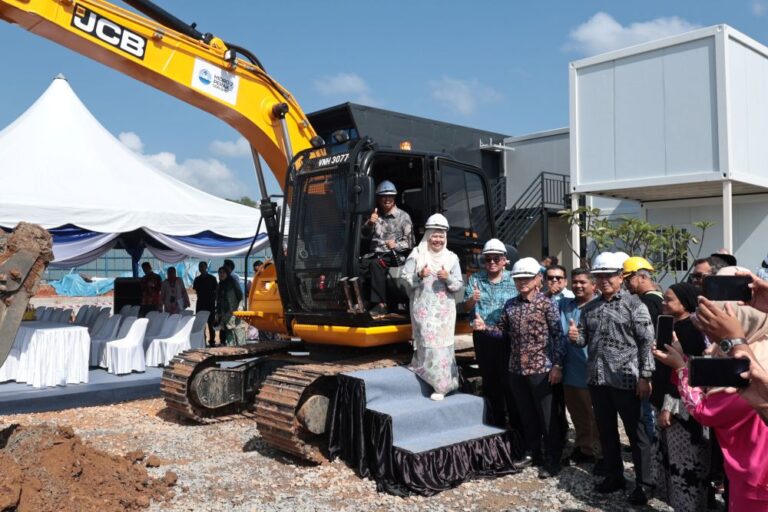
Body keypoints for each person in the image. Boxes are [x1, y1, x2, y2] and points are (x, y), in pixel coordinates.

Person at [655, 296, 768, 511]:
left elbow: (706, 412)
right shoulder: (760, 351)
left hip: (757, 479)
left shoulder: (747, 372)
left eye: (716, 330)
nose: (709, 339)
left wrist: (681, 369)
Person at [572, 252, 655, 505]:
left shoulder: (635, 305)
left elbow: (646, 342)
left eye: (609, 275)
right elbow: (584, 339)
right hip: (598, 380)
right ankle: (614, 475)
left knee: (636, 434)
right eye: (600, 276)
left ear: (620, 276)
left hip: (627, 379)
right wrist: (575, 337)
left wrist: (646, 376)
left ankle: (645, 484)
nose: (604, 280)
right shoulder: (590, 308)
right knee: (607, 431)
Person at [476, 256, 565, 479]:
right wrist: (484, 327)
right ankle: (533, 453)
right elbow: (501, 332)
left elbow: (558, 336)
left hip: (541, 369)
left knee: (547, 417)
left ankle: (553, 459)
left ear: (537, 279)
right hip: (516, 370)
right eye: (518, 279)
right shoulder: (510, 305)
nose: (522, 282)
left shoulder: (547, 304)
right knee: (526, 414)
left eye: (526, 278)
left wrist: (557, 365)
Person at [652, 283, 709, 512]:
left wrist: (669, 406)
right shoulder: (671, 325)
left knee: (685, 461)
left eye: (669, 299)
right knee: (670, 459)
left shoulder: (692, 330)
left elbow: (684, 372)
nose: (663, 303)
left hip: (683, 406)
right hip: (668, 400)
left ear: (685, 303)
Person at [402, 213, 462, 401]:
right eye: (434, 236)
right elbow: (404, 278)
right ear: (428, 236)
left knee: (443, 346)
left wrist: (448, 278)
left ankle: (444, 385)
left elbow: (458, 284)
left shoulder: (452, 258)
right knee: (428, 344)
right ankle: (429, 378)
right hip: (424, 309)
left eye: (441, 236)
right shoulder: (417, 254)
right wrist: (419, 275)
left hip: (445, 312)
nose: (438, 240)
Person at [464, 238, 520, 430]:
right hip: (483, 337)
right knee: (490, 380)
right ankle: (496, 426)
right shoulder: (475, 279)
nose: (492, 262)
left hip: (508, 337)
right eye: (488, 259)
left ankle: (516, 427)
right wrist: (473, 299)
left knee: (510, 381)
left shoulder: (514, 279)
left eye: (496, 258)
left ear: (504, 260)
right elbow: (466, 307)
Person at [561, 268, 601, 466]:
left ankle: (601, 452)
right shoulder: (565, 305)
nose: (577, 285)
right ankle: (584, 448)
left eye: (582, 282)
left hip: (594, 370)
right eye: (574, 281)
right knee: (578, 413)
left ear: (594, 285)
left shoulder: (600, 306)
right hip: (570, 369)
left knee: (597, 415)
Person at [623, 256, 663, 441]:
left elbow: (645, 339)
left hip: (648, 367)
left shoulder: (646, 303)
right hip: (657, 364)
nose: (626, 284)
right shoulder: (660, 298)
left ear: (642, 277)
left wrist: (645, 375)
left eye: (628, 279)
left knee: (647, 414)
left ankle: (650, 449)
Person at [360, 180, 414, 316]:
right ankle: (362, 301)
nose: (387, 199)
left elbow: (410, 243)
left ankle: (381, 304)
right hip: (375, 254)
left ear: (394, 198)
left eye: (390, 196)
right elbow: (363, 236)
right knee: (358, 265)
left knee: (376, 264)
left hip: (394, 255)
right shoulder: (374, 216)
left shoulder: (403, 217)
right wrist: (370, 223)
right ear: (378, 199)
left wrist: (396, 245)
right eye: (383, 196)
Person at [215, 265, 244, 346]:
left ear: (227, 273)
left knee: (238, 331)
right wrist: (218, 312)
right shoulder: (221, 285)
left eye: (223, 273)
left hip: (235, 312)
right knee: (229, 332)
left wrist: (239, 309)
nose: (221, 274)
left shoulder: (233, 283)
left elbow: (240, 296)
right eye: (220, 273)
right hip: (225, 313)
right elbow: (219, 300)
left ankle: (242, 349)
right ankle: (231, 349)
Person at [193, 261, 218, 346]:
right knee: (201, 324)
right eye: (200, 267)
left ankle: (212, 341)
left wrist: (214, 301)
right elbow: (196, 290)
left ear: (206, 267)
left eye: (203, 266)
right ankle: (202, 341)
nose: (201, 268)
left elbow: (216, 290)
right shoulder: (197, 279)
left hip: (210, 304)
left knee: (211, 323)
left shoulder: (212, 278)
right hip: (200, 304)